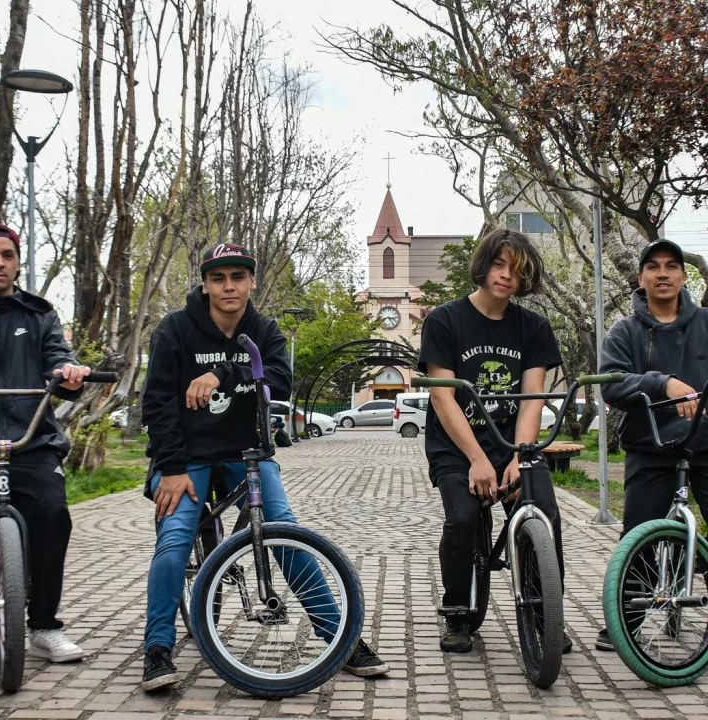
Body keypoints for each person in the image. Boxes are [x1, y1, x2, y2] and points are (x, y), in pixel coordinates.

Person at [141, 243, 389, 691]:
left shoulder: (264, 330)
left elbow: (278, 378)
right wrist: (171, 466)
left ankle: (339, 639)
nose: (229, 286)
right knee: (175, 539)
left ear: (252, 281)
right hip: (185, 457)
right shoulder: (175, 330)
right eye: (219, 278)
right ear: (205, 284)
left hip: (247, 453)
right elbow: (156, 404)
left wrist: (223, 374)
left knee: (284, 529)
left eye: (238, 276)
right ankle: (157, 649)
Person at [418, 228, 570, 654]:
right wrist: (476, 459)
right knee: (464, 518)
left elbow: (532, 400)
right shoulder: (444, 321)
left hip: (512, 444)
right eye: (500, 265)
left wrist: (519, 457)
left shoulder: (534, 327)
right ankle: (456, 613)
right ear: (484, 265)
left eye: (517, 271)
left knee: (545, 511)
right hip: (456, 446)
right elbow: (444, 399)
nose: (506, 276)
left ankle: (547, 614)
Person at [0, 222, 91, 662]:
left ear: (19, 262)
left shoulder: (39, 314)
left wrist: (69, 372)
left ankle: (44, 626)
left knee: (52, 514)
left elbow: (58, 356)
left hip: (31, 439)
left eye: (7, 255)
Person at [597, 238, 708, 651]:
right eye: (654, 267)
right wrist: (662, 383)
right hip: (651, 446)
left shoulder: (705, 324)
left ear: (683, 275)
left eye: (672, 266)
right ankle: (626, 622)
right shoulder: (625, 331)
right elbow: (612, 383)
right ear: (641, 277)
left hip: (705, 444)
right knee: (638, 534)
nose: (663, 273)